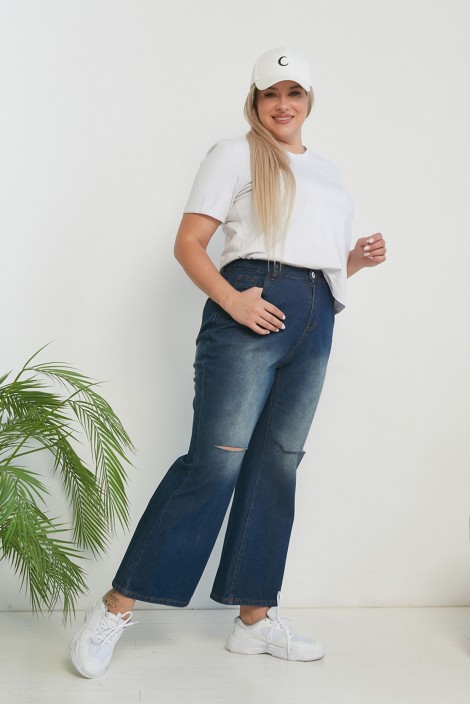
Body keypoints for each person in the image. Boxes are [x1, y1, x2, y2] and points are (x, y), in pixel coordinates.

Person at [70, 46, 386, 678]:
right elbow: (190, 243)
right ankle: (116, 606)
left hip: (316, 316)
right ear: (255, 100)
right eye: (271, 93)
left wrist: (352, 262)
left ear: (309, 101)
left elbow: (314, 263)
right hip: (249, 305)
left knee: (278, 466)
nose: (282, 105)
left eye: (294, 93)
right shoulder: (234, 154)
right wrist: (233, 300)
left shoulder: (328, 171)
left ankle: (254, 620)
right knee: (214, 462)